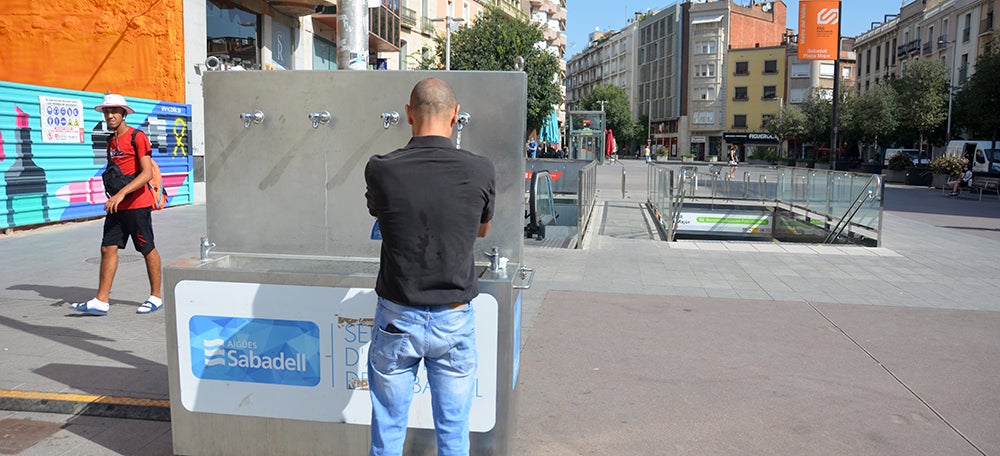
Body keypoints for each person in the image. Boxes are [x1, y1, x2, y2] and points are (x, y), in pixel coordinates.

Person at [364, 78, 495, 456]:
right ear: (455, 115)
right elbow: (481, 229)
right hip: (454, 319)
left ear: (408, 113)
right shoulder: (480, 169)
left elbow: (381, 215)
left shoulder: (381, 169)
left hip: (396, 318)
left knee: (387, 430)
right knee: (453, 435)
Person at [71, 93, 162, 316]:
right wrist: (115, 195)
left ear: (123, 113)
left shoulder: (137, 137)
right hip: (117, 206)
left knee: (146, 248)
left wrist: (121, 194)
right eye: (106, 111)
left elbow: (146, 173)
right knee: (107, 247)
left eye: (114, 111)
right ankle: (101, 300)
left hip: (137, 205)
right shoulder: (110, 140)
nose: (110, 115)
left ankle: (156, 296)